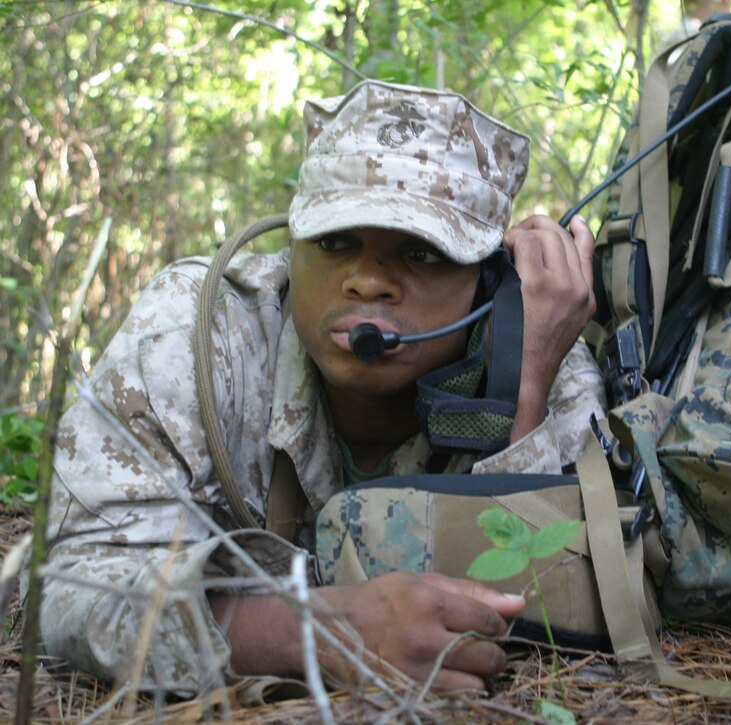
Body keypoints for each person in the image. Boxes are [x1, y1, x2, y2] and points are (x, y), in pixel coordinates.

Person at [37, 80, 605, 696]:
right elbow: (75, 592)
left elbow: (545, 609)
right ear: (292, 245)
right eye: (336, 242)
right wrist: (316, 634)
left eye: (421, 252)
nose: (367, 281)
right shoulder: (194, 338)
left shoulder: (549, 368)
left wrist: (521, 388)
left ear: (487, 281)